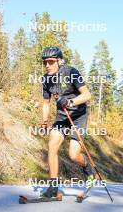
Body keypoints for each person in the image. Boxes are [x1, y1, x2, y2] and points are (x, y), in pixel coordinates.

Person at [41, 46, 94, 197]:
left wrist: (70, 103)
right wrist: (44, 121)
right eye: (45, 62)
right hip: (62, 116)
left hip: (78, 116)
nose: (47, 65)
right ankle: (53, 187)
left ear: (59, 61)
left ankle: (87, 168)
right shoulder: (46, 79)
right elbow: (45, 103)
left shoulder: (71, 72)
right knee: (52, 145)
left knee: (73, 155)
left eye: (51, 62)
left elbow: (87, 95)